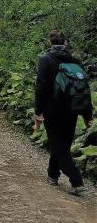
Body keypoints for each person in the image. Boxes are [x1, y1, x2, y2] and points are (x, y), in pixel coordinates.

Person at [34, 30, 93, 195]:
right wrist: (87, 115)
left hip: (53, 111)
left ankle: (76, 181)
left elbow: (41, 87)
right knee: (62, 145)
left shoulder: (46, 60)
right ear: (66, 43)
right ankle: (53, 175)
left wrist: (38, 111)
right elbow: (83, 90)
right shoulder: (75, 61)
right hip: (72, 111)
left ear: (49, 43)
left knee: (58, 147)